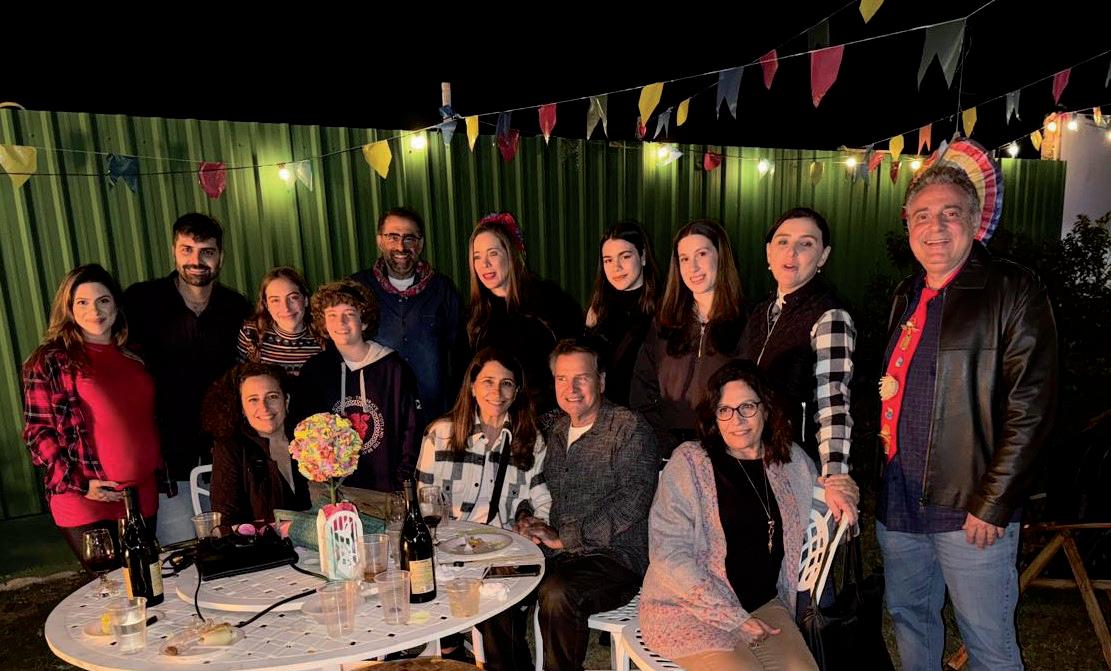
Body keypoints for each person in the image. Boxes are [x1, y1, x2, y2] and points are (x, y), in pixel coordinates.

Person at [875, 164, 1057, 671]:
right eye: (922, 215)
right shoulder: (907, 293)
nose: (934, 227)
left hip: (970, 510)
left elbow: (1031, 409)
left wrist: (994, 502)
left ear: (975, 221)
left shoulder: (1012, 289)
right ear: (908, 225)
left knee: (988, 646)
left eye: (950, 213)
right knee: (910, 621)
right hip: (900, 505)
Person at [639, 359, 859, 670]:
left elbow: (827, 520)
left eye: (747, 407)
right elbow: (668, 554)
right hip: (691, 609)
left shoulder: (791, 462)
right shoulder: (689, 462)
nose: (737, 420)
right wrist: (732, 618)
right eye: (725, 410)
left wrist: (844, 490)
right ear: (714, 416)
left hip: (763, 605)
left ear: (766, 409)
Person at [481, 338, 659, 671]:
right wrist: (526, 517)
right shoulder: (551, 427)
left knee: (557, 593)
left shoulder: (629, 428)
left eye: (582, 378)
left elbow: (632, 503)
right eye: (562, 379)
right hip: (554, 555)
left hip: (613, 557)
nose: (571, 388)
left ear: (601, 381)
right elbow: (528, 483)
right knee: (493, 584)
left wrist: (566, 537)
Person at [124, 212, 251, 543]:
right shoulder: (141, 301)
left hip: (222, 451)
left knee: (227, 542)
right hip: (166, 458)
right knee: (177, 548)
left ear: (220, 256)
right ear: (174, 251)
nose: (197, 260)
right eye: (187, 250)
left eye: (207, 251)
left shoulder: (236, 307)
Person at [23, 264, 160, 564]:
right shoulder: (51, 360)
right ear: (69, 309)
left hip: (140, 494)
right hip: (87, 498)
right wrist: (80, 484)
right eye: (82, 302)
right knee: (110, 586)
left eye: (103, 300)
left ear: (116, 306)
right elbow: (37, 433)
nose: (94, 311)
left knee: (146, 581)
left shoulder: (135, 356)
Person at [739, 207, 856, 524]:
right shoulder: (761, 312)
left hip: (798, 467)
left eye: (806, 243)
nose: (791, 252)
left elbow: (833, 402)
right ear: (768, 252)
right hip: (755, 462)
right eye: (783, 241)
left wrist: (834, 477)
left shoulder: (829, 315)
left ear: (823, 256)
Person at [292, 280, 420, 492]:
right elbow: (302, 433)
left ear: (364, 321)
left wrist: (402, 482)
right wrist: (322, 483)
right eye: (332, 315)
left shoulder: (394, 369)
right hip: (333, 493)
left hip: (386, 492)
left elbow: (412, 430)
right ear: (324, 323)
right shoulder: (314, 371)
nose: (341, 322)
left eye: (349, 314)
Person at [632, 219, 745, 457]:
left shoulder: (747, 321)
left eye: (701, 254)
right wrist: (667, 445)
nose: (692, 267)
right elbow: (642, 391)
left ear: (721, 257)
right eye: (684, 258)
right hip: (670, 454)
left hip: (726, 451)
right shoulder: (663, 323)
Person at [415, 348, 551, 528]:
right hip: (452, 540)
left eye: (507, 383)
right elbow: (424, 503)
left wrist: (534, 528)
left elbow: (543, 502)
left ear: (516, 391)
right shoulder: (439, 434)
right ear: (472, 387)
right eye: (488, 382)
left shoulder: (533, 440)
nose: (497, 393)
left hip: (508, 542)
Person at [352, 207, 463, 418]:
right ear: (380, 241)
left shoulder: (442, 289)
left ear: (420, 243)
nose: (401, 246)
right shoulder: (358, 288)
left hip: (434, 414)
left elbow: (459, 353)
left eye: (409, 238)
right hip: (379, 414)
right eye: (393, 237)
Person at [466, 212, 582, 413]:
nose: (484, 264)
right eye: (477, 257)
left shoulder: (550, 300)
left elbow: (578, 360)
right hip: (498, 418)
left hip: (551, 415)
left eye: (493, 253)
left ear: (511, 254)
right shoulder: (473, 318)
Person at [206, 362, 311, 525]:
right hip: (260, 541)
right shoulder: (230, 450)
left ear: (286, 400)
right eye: (253, 400)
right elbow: (226, 520)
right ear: (242, 408)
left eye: (272, 396)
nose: (264, 407)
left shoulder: (310, 439)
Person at [584, 220, 659, 406]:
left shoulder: (663, 307)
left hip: (647, 412)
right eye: (608, 260)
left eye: (625, 257)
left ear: (642, 256)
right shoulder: (597, 309)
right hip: (605, 412)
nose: (616, 267)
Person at [237, 266, 322, 376]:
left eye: (292, 298)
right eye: (275, 300)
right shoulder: (252, 334)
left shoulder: (323, 335)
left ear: (306, 300)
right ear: (266, 305)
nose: (286, 308)